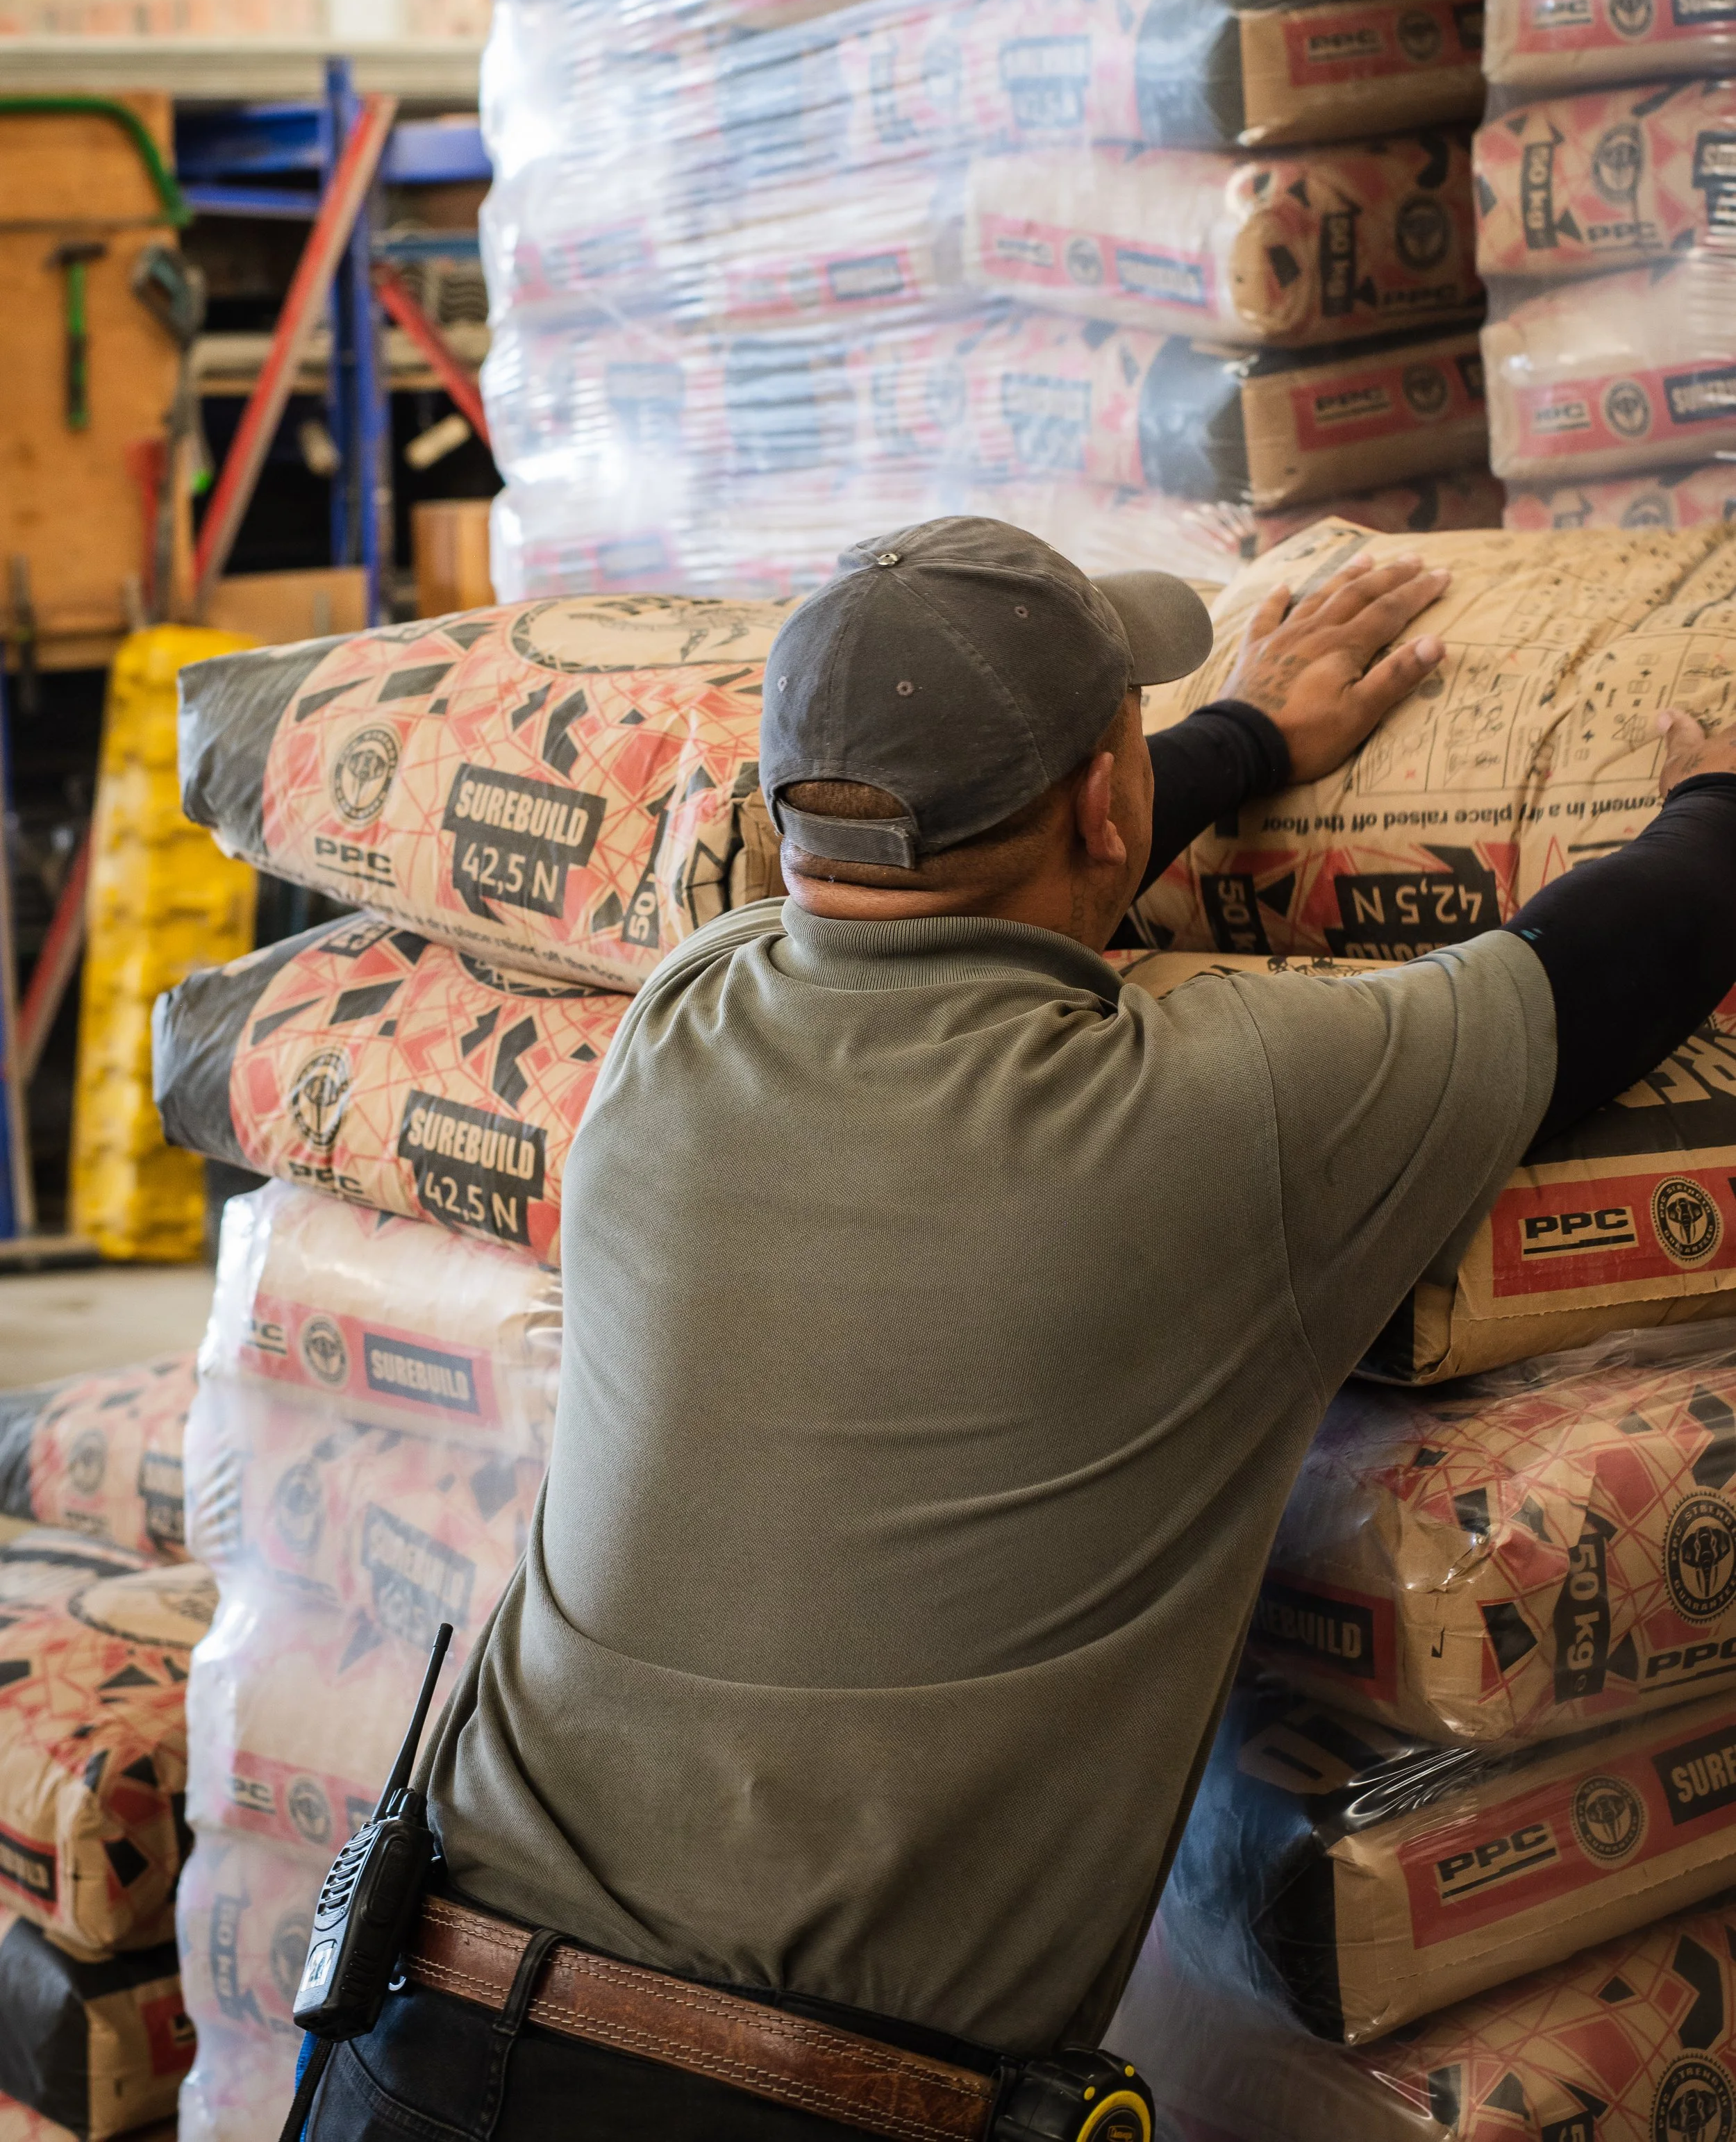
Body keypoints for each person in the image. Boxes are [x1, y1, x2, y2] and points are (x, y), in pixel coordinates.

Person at [307, 518, 1736, 2142]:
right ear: (1102, 804)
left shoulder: (675, 1031)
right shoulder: (1214, 1113)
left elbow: (932, 885)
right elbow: (1595, 970)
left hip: (413, 2039)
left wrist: (1236, 745)